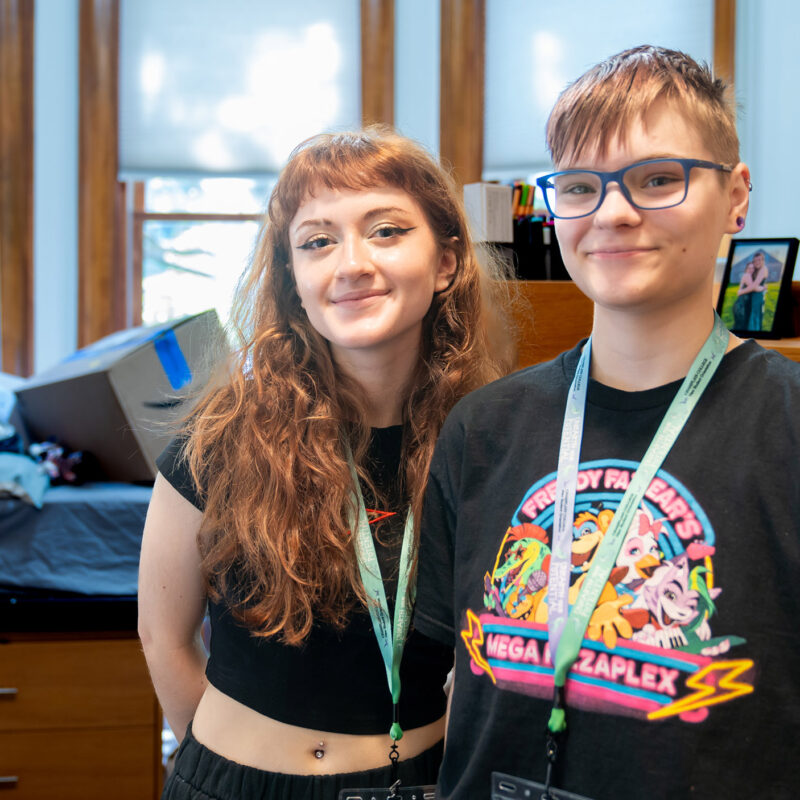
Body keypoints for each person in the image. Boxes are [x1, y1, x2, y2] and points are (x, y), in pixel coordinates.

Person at [414, 45, 800, 799]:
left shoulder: (787, 428)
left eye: (659, 179)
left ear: (736, 196)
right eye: (582, 187)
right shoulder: (483, 428)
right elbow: (452, 680)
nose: (614, 213)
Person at [138, 127, 514, 800]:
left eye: (386, 231)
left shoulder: (490, 445)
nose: (351, 264)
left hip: (421, 782)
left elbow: (492, 656)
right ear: (293, 279)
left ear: (448, 262)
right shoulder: (218, 439)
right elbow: (163, 639)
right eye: (317, 241)